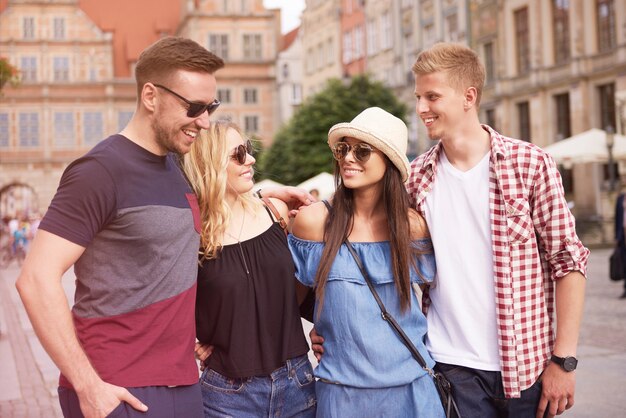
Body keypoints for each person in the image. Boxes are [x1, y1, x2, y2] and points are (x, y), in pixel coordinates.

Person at [15, 36, 225, 418]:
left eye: (211, 106)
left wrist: (273, 195)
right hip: (118, 388)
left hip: (183, 383)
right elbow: (35, 279)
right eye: (194, 107)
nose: (205, 121)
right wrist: (87, 385)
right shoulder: (99, 171)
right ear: (150, 96)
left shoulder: (177, 169)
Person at [407, 43, 589, 418]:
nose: (421, 108)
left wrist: (564, 361)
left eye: (432, 96)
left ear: (468, 97)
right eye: (419, 97)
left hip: (528, 368)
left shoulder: (530, 164)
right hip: (449, 366)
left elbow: (568, 262)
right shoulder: (414, 178)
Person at [289, 107, 445, 417]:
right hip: (342, 393)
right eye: (343, 149)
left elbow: (441, 296)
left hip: (411, 390)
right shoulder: (313, 223)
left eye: (362, 151)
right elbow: (288, 304)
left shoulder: (411, 226)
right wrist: (316, 329)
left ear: (389, 162)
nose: (348, 158)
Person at [183, 121, 317, 417]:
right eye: (238, 154)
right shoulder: (192, 234)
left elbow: (303, 285)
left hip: (297, 382)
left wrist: (325, 325)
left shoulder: (277, 213)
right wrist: (186, 342)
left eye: (249, 150)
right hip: (227, 395)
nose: (251, 159)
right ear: (210, 164)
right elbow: (167, 299)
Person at [614, 187, 626, 298]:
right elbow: (617, 218)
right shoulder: (620, 199)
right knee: (624, 262)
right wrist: (616, 237)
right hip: (622, 237)